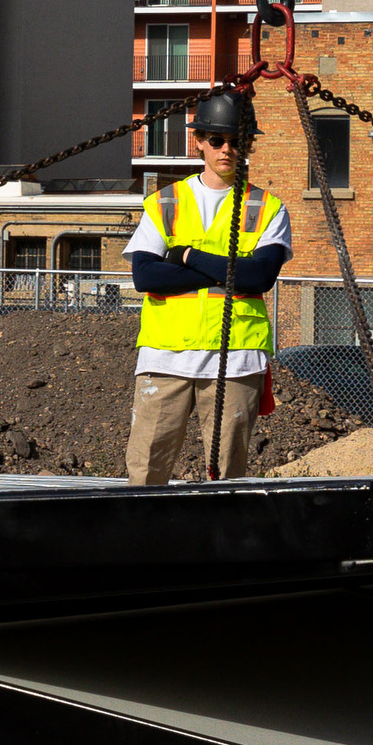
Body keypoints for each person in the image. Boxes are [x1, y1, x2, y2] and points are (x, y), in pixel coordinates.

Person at [121, 90, 291, 483]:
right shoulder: (166, 202)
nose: (226, 149)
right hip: (165, 357)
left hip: (236, 359)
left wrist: (186, 257)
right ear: (198, 141)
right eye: (216, 139)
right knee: (146, 471)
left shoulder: (267, 207)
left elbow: (259, 277)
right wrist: (229, 271)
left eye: (237, 141)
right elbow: (146, 276)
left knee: (228, 475)